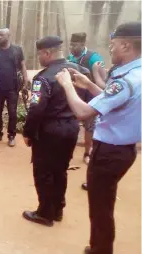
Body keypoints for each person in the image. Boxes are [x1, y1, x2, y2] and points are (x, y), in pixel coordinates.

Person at [55, 21, 141, 254]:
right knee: (105, 200)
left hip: (110, 152)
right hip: (125, 149)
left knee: (101, 206)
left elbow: (83, 112)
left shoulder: (124, 80)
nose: (109, 50)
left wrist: (67, 86)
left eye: (112, 45)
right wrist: (89, 84)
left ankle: (101, 249)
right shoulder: (136, 74)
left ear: (125, 45)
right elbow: (116, 99)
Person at [22, 36, 90, 227]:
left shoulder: (42, 78)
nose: (39, 59)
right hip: (71, 128)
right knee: (61, 170)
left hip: (49, 130)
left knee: (44, 171)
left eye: (40, 55)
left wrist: (28, 133)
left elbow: (36, 109)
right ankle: (58, 209)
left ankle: (44, 213)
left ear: (47, 53)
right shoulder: (79, 71)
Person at [68, 32, 107, 167]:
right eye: (71, 44)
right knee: (71, 125)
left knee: (89, 126)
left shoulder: (94, 58)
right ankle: (67, 152)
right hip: (74, 96)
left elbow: (103, 78)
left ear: (83, 44)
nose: (72, 47)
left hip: (90, 98)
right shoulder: (70, 58)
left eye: (75, 45)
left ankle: (87, 153)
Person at [0, 28, 29, 147]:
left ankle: (11, 136)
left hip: (13, 87)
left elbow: (23, 66)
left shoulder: (17, 50)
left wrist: (26, 82)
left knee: (12, 112)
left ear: (8, 36)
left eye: (2, 35)